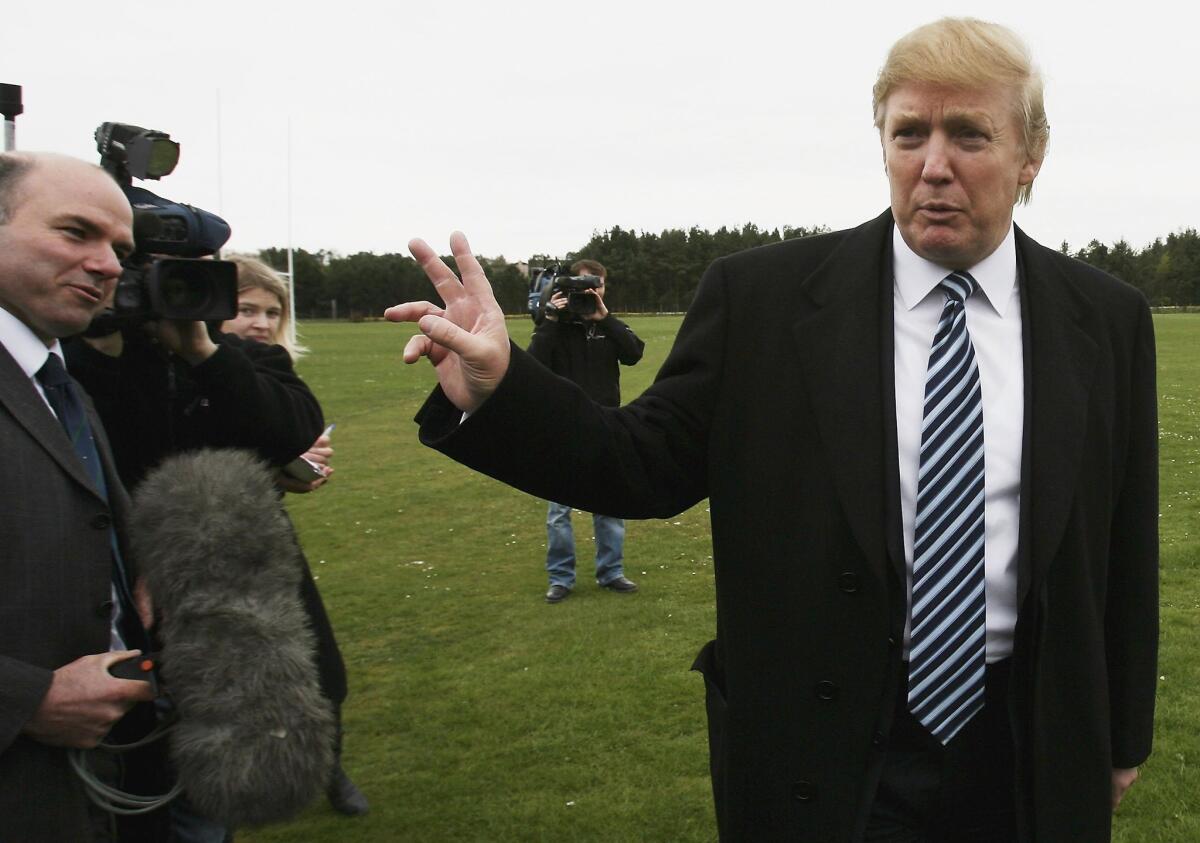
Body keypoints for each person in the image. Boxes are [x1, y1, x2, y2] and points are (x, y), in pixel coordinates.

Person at [385, 17, 1158, 843]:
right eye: (909, 133)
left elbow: (1124, 541)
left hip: (1030, 746)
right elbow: (637, 464)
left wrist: (1120, 738)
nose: (933, 165)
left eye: (969, 134)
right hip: (823, 753)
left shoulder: (1105, 318)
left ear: (1031, 153)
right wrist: (504, 387)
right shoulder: (762, 302)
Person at [0, 151, 158, 841]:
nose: (108, 265)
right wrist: (28, 699)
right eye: (75, 232)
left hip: (76, 789)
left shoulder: (58, 379)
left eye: (119, 248)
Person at [220, 254, 370, 817]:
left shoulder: (271, 375)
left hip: (269, 540)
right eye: (244, 310)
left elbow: (281, 438)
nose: (260, 323)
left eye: (271, 312)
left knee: (323, 670)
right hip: (200, 548)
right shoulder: (185, 374)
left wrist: (293, 470)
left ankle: (330, 769)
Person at [527, 259, 644, 602]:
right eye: (583, 286)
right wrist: (550, 319)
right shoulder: (555, 328)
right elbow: (533, 364)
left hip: (606, 424)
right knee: (559, 512)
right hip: (563, 426)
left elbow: (635, 353)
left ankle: (611, 573)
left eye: (598, 286)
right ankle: (561, 578)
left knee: (609, 505)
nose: (591, 292)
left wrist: (604, 318)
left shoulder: (607, 326)